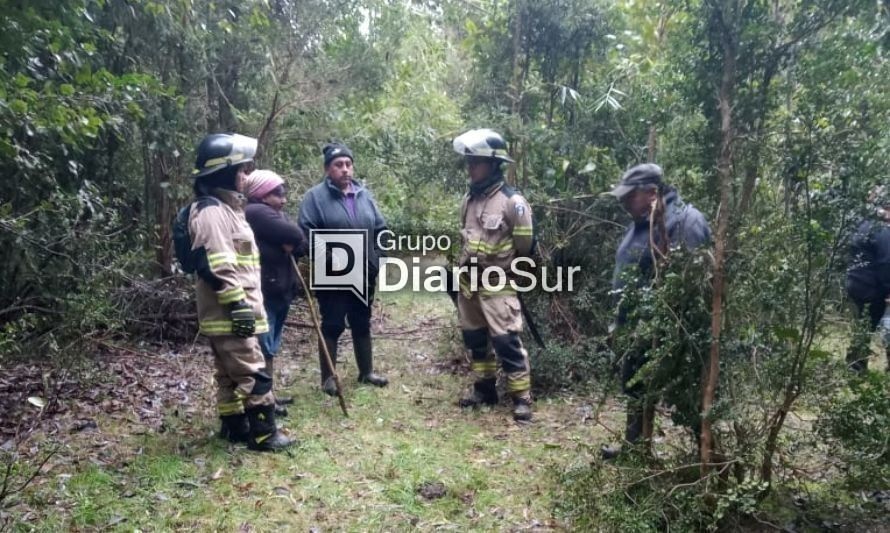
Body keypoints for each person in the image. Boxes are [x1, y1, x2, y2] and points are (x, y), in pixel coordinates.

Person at [188, 133, 294, 452]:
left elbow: (244, 261)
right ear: (224, 172)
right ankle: (264, 433)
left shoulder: (230, 210)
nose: (245, 176)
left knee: (228, 375)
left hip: (239, 308)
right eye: (241, 170)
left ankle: (234, 425)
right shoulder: (211, 213)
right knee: (253, 369)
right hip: (233, 312)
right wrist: (239, 307)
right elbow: (220, 266)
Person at [602, 163, 710, 458]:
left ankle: (705, 460)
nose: (624, 203)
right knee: (635, 386)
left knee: (687, 399)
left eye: (630, 196)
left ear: (651, 192)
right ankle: (636, 447)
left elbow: (691, 280)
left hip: (664, 329)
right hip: (635, 327)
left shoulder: (685, 222)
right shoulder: (643, 220)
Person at [452, 128, 535, 422]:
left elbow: (525, 247)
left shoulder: (513, 202)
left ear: (493, 164)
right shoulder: (469, 200)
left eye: (476, 162)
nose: (470, 167)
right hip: (469, 285)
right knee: (475, 340)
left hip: (498, 283)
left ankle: (522, 399)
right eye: (469, 161)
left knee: (506, 342)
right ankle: (484, 390)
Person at [297, 142, 389, 395]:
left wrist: (379, 257)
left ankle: (366, 372)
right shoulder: (314, 197)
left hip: (364, 272)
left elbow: (381, 229)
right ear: (328, 169)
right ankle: (328, 378)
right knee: (333, 324)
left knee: (362, 321)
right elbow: (307, 234)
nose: (345, 169)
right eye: (338, 165)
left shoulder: (364, 194)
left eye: (348, 164)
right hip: (332, 272)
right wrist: (331, 260)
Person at [243, 170, 309, 414]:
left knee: (270, 345)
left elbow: (301, 245)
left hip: (280, 288)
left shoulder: (273, 214)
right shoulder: (256, 212)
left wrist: (292, 243)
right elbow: (296, 235)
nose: (283, 199)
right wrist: (291, 241)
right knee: (263, 346)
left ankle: (269, 395)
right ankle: (264, 398)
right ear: (262, 194)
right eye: (277, 193)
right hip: (267, 291)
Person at [845, 185, 890, 373]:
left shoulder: (862, 224)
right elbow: (886, 263)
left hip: (855, 285)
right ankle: (856, 368)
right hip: (874, 289)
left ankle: (855, 368)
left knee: (862, 329)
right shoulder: (882, 231)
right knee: (884, 328)